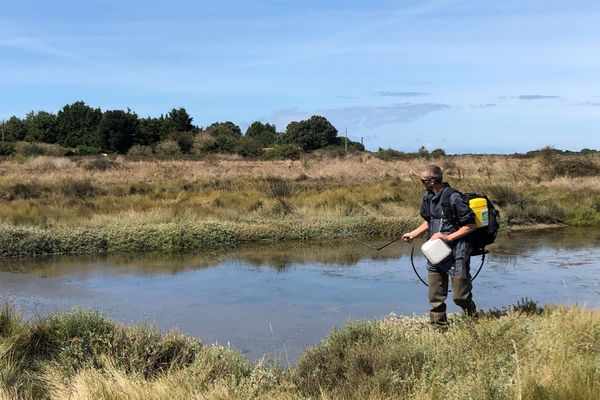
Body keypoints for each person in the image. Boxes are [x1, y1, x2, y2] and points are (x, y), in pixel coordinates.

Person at [401, 165, 477, 327]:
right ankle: (439, 327)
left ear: (433, 180)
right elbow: (428, 222)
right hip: (435, 251)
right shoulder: (428, 197)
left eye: (423, 181)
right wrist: (413, 234)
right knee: (435, 295)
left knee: (460, 297)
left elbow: (471, 225)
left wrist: (447, 237)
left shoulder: (454, 198)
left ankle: (473, 317)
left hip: (458, 252)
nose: (421, 183)